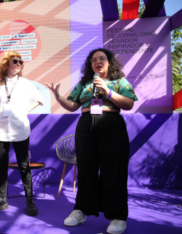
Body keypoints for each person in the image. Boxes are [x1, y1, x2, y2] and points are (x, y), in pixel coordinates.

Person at [46, 48, 138, 234]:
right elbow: (72, 106)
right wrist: (58, 97)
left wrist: (108, 92)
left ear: (110, 62)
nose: (97, 62)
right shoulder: (84, 83)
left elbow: (129, 104)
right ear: (90, 64)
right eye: (94, 59)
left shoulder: (119, 81)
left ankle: (118, 217)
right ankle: (81, 211)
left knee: (114, 172)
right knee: (86, 169)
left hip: (112, 125)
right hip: (86, 124)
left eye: (102, 58)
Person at [0, 50, 44, 216]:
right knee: (2, 166)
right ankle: (2, 199)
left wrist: (26, 110)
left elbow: (39, 98)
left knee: (24, 165)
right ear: (7, 64)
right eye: (16, 61)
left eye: (21, 62)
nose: (19, 64)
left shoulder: (25, 83)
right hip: (1, 130)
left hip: (20, 129)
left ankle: (29, 200)